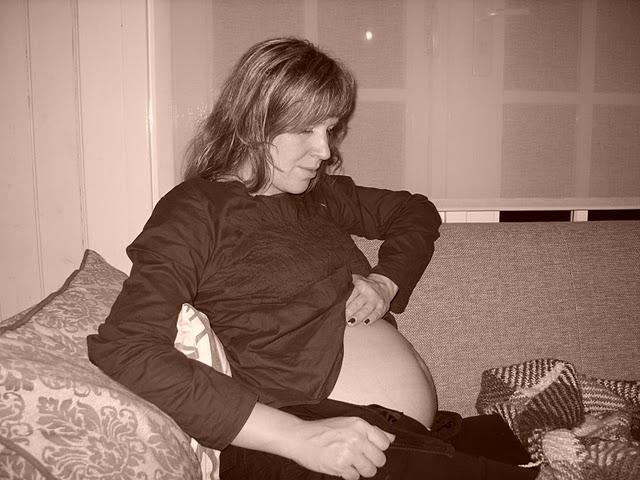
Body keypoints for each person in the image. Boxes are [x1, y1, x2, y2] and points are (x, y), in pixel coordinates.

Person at [87, 37, 537, 479]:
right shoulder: (196, 209)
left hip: (397, 436)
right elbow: (127, 347)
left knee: (536, 451)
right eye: (306, 130)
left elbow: (414, 212)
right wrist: (298, 438)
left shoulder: (318, 195)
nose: (325, 151)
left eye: (329, 129)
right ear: (254, 122)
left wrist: (386, 281)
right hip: (307, 438)